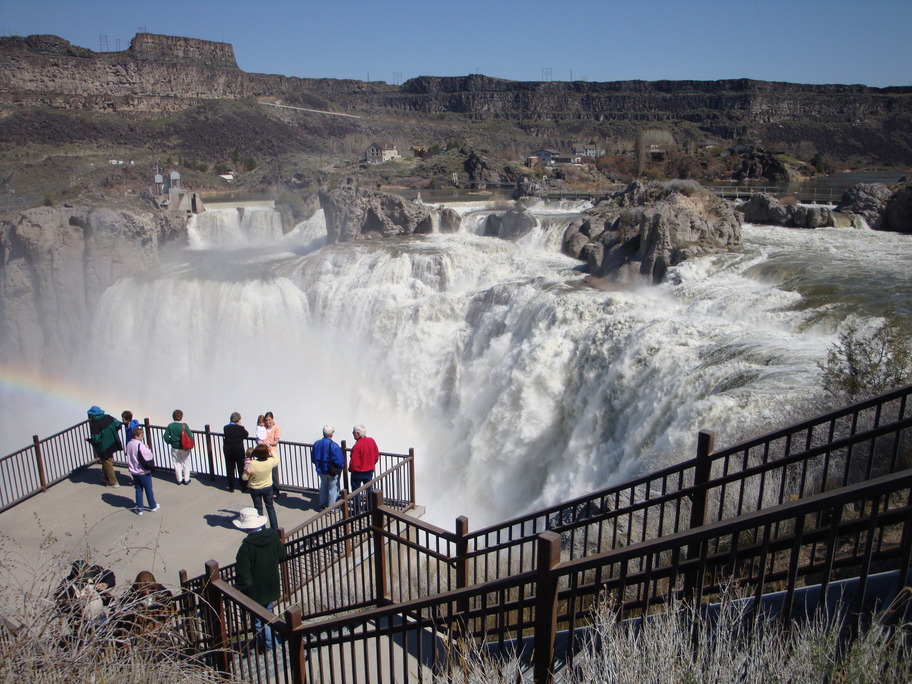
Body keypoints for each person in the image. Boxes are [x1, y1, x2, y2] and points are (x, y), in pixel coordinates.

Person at [233, 507, 286, 651]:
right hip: (271, 585)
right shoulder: (272, 537)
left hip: (256, 593)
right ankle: (275, 642)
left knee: (259, 622)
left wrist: (239, 588)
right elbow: (282, 555)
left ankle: (272, 648)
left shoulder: (246, 549)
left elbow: (244, 578)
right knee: (269, 616)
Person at [55, 560, 116, 631]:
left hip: (100, 616)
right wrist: (79, 602)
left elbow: (110, 575)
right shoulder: (66, 585)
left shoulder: (93, 572)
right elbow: (61, 604)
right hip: (82, 623)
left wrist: (106, 584)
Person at [117, 570, 174, 642]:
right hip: (140, 628)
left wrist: (154, 602)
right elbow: (124, 604)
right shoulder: (133, 592)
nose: (147, 592)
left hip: (157, 624)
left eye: (149, 588)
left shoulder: (159, 589)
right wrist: (139, 605)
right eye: (143, 589)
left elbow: (168, 597)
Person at [86, 406, 123, 488]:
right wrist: (112, 433)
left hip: (104, 448)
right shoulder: (108, 417)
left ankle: (113, 482)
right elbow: (119, 424)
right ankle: (106, 478)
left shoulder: (96, 425)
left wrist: (90, 440)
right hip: (113, 443)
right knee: (106, 462)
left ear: (92, 415)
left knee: (107, 463)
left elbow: (96, 440)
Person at [126, 426, 159, 515]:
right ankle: (152, 506)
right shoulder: (140, 445)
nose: (142, 436)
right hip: (143, 471)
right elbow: (148, 456)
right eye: (141, 435)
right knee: (148, 489)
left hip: (134, 471)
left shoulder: (129, 444)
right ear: (137, 436)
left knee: (138, 489)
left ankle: (139, 508)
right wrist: (147, 448)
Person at [245, 443, 279, 530]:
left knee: (258, 509)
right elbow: (277, 459)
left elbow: (244, 478)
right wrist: (271, 449)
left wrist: (246, 472)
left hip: (255, 488)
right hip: (267, 487)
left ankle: (261, 529)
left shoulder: (252, 463)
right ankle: (274, 529)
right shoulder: (270, 462)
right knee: (270, 508)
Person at [311, 425, 344, 510]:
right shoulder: (333, 445)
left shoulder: (317, 443)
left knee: (323, 487)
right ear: (331, 434)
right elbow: (339, 461)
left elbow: (313, 457)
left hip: (321, 470)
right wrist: (340, 468)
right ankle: (331, 509)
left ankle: (322, 505)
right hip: (331, 471)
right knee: (332, 489)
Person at [349, 424, 380, 512]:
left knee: (356, 492)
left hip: (358, 472)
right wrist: (372, 464)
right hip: (369, 471)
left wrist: (351, 469)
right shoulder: (371, 441)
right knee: (369, 489)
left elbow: (354, 462)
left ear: (358, 434)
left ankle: (357, 510)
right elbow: (376, 455)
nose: (353, 435)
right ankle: (370, 507)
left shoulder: (357, 446)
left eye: (354, 433)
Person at [163, 409, 193, 485]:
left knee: (177, 463)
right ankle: (186, 479)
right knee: (186, 463)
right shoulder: (184, 426)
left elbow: (166, 436)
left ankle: (179, 479)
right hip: (184, 448)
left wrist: (170, 442)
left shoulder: (170, 426)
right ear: (181, 417)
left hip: (175, 448)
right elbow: (190, 436)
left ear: (173, 417)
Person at [223, 412, 249, 493]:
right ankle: (243, 486)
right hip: (238, 450)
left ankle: (231, 487)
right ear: (238, 420)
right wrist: (240, 426)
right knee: (241, 468)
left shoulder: (225, 428)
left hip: (228, 450)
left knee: (230, 468)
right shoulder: (240, 428)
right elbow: (246, 435)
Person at [263, 411, 282, 498]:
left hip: (272, 452)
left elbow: (276, 441)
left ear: (272, 419)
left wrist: (269, 443)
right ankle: (269, 490)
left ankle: (276, 490)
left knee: (273, 473)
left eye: (269, 420)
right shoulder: (263, 428)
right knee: (266, 473)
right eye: (266, 420)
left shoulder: (276, 428)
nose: (268, 422)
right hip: (264, 452)